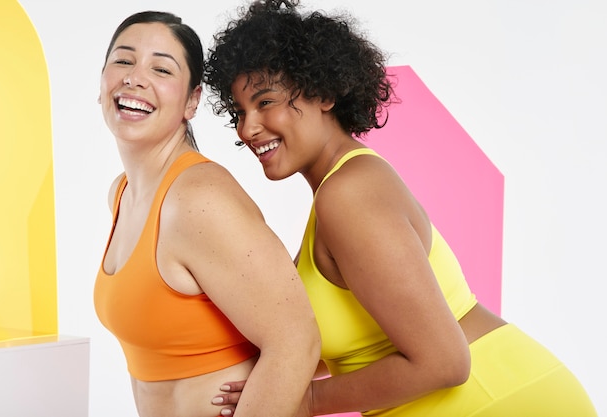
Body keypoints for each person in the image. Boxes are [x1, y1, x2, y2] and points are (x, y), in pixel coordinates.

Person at [203, 1, 598, 416]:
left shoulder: (348, 195)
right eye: (239, 112)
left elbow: (444, 362)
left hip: (500, 400)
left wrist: (306, 400)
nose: (247, 128)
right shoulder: (336, 195)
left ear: (323, 93)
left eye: (265, 102)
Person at [93, 10, 321, 417]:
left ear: (191, 100)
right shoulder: (122, 193)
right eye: (124, 60)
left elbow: (296, 340)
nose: (135, 78)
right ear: (102, 80)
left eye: (161, 68)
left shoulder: (198, 198)